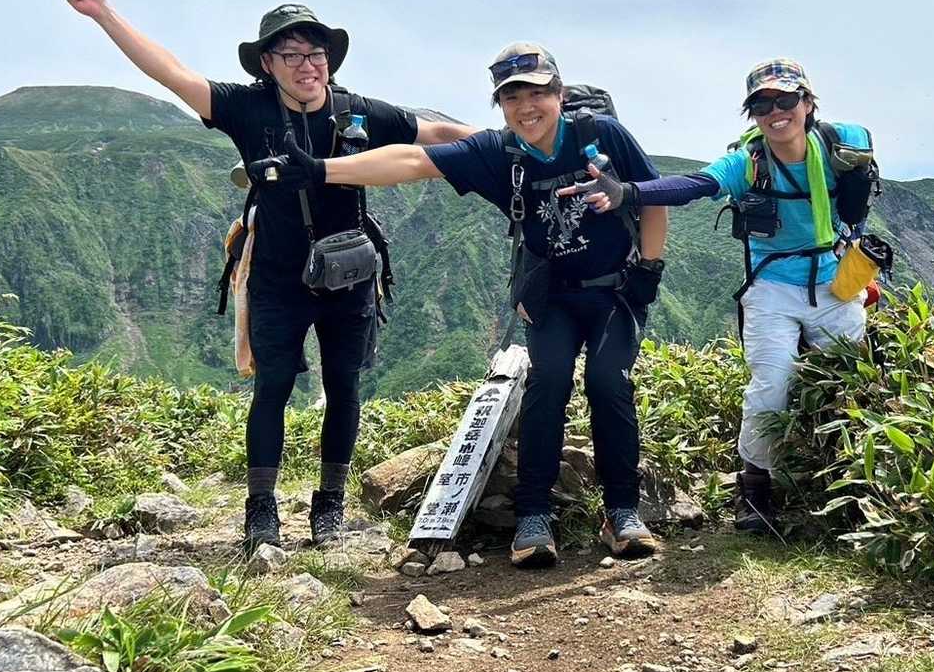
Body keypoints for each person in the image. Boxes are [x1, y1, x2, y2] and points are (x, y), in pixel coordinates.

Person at [58, 0, 475, 554]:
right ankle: (261, 511)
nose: (308, 65)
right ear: (267, 64)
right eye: (291, 55)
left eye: (316, 54)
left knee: (344, 387)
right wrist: (104, 12)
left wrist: (519, 143)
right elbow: (171, 73)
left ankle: (330, 506)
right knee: (273, 388)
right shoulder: (246, 108)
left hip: (350, 274)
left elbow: (437, 133)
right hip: (277, 278)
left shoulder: (358, 113)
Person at [247, 43, 670, 568]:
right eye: (512, 97)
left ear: (559, 95)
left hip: (614, 289)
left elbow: (653, 196)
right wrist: (322, 170)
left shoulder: (602, 136)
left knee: (609, 383)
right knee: (548, 384)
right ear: (500, 104)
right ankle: (533, 516)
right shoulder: (499, 152)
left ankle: (622, 511)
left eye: (538, 93)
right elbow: (411, 161)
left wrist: (649, 270)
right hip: (552, 294)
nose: (526, 107)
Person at [560, 59, 877, 537]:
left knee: (851, 381)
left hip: (836, 281)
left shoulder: (840, 150)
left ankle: (851, 486)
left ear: (808, 103)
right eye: (762, 105)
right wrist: (627, 192)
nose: (776, 112)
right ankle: (754, 487)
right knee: (772, 384)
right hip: (772, 286)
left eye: (786, 100)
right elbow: (694, 185)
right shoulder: (747, 162)